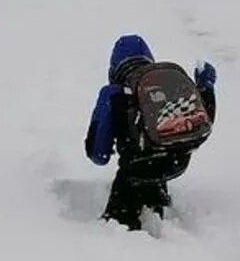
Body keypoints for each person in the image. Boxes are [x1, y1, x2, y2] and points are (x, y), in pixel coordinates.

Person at [85, 35, 217, 231]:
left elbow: (99, 154)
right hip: (173, 165)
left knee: (119, 234)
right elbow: (202, 119)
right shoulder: (169, 88)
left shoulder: (112, 94)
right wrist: (206, 86)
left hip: (133, 174)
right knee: (156, 217)